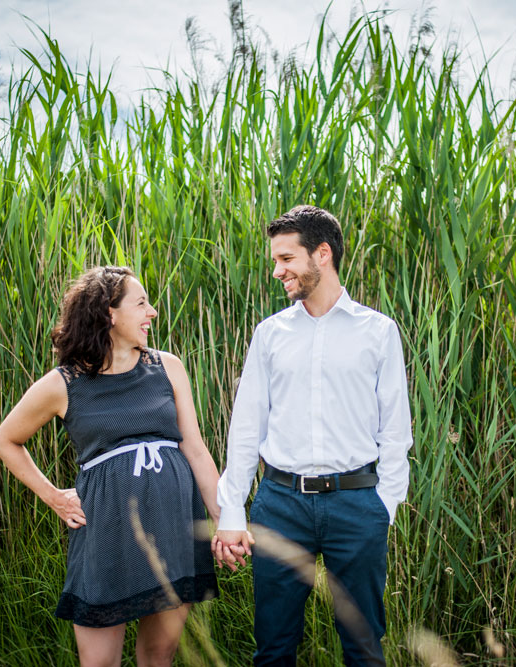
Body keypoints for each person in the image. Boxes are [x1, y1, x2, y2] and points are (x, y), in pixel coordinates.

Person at [213, 205, 413, 666]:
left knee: (364, 647)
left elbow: (395, 430)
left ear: (322, 254)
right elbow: (246, 429)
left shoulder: (378, 332)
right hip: (280, 504)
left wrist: (386, 505)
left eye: (287, 259)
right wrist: (232, 511)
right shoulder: (269, 335)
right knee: (275, 647)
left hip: (357, 504)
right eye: (276, 261)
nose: (278, 271)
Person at [0, 265, 220, 667]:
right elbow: (6, 440)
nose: (152, 312)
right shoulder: (64, 383)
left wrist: (226, 518)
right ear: (109, 314)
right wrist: (54, 497)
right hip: (106, 533)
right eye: (141, 303)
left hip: (172, 527)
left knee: (159, 654)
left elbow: (197, 451)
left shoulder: (168, 366)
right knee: (98, 663)